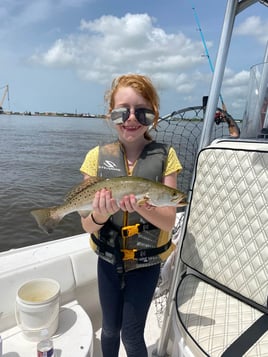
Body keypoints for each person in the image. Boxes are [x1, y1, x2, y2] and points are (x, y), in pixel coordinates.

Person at [80, 74, 182, 357]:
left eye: (142, 111)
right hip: (108, 260)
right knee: (109, 330)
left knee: (132, 334)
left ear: (154, 115)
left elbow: (169, 220)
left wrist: (141, 205)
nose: (131, 117)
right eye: (122, 110)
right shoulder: (95, 157)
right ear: (110, 114)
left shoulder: (167, 156)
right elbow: (88, 224)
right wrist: (100, 215)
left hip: (147, 263)